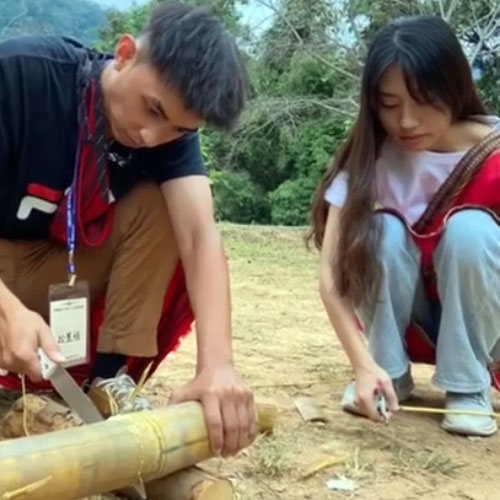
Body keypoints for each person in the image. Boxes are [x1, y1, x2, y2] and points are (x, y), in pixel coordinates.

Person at [0, 3, 255, 456]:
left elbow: (200, 238)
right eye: (152, 110)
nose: (152, 136)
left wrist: (218, 366)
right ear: (124, 54)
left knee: (166, 208)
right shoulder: (21, 77)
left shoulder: (169, 135)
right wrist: (6, 309)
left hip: (50, 271)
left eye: (178, 128)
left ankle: (105, 381)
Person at [309, 15, 500, 437]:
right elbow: (330, 277)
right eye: (390, 105)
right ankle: (387, 376)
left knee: (471, 230)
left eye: (424, 100)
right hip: (409, 320)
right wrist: (362, 364)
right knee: (380, 233)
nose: (407, 122)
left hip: (488, 323)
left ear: (454, 88)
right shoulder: (369, 159)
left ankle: (469, 388)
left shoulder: (495, 153)